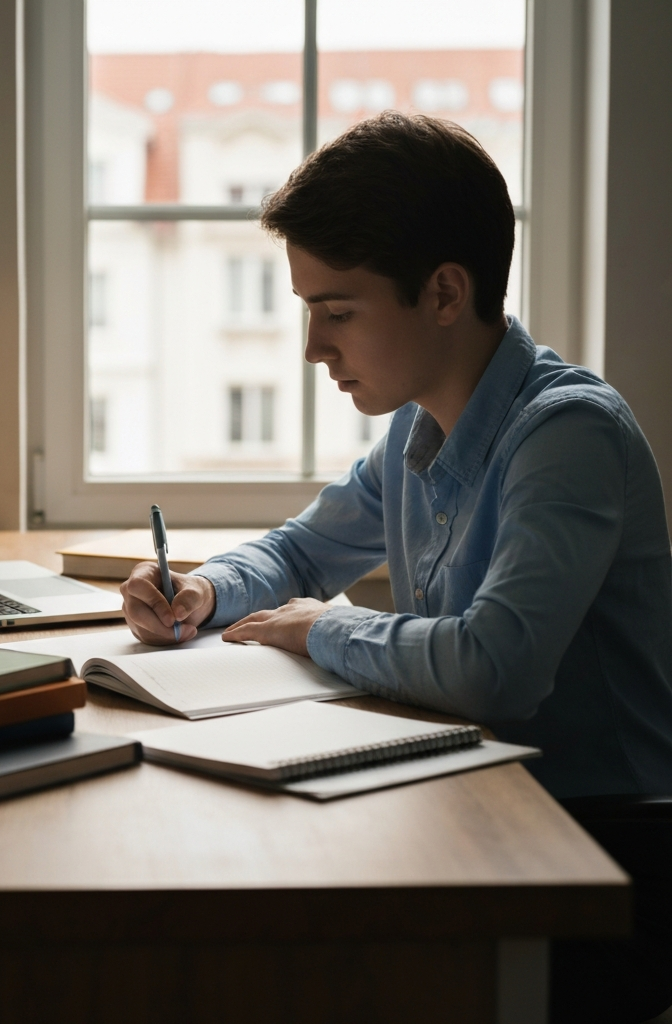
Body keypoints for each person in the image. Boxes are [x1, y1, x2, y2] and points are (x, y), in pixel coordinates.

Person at [120, 112, 672, 1023]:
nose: (311, 348)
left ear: (446, 293)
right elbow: (300, 549)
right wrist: (208, 586)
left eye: (336, 311)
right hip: (484, 803)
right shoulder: (419, 430)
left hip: (606, 858)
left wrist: (323, 626)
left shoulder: (568, 434)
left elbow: (495, 669)